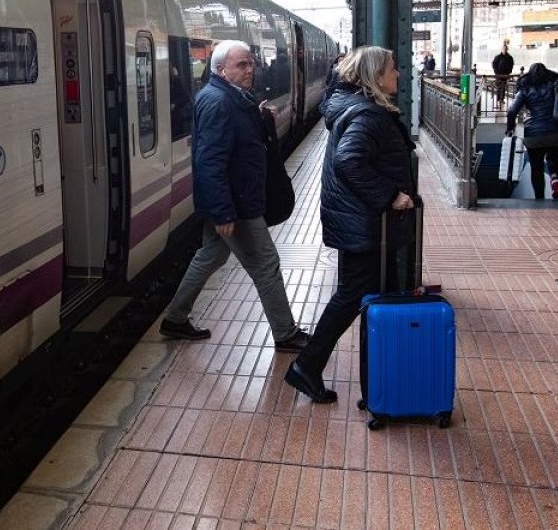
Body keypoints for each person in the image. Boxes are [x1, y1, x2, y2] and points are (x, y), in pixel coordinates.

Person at [284, 46, 415, 403]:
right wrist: (391, 196)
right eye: (393, 68)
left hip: (361, 221)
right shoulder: (367, 115)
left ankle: (377, 379)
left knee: (367, 295)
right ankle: (307, 367)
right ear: (376, 75)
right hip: (365, 223)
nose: (398, 75)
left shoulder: (358, 108)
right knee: (352, 296)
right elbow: (349, 161)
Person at [159, 40, 309, 351]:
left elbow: (235, 138)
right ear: (221, 69)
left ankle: (174, 319)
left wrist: (259, 116)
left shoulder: (229, 97)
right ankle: (285, 333)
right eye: (242, 65)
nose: (250, 69)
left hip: (236, 197)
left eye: (251, 63)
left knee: (211, 254)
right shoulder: (217, 102)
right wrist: (223, 211)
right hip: (237, 204)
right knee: (266, 264)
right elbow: (209, 161)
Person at [505, 63, 558, 200]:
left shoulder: (525, 86)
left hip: (534, 136)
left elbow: (512, 111)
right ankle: (554, 178)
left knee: (537, 168)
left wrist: (510, 128)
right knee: (553, 157)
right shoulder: (556, 82)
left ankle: (539, 199)